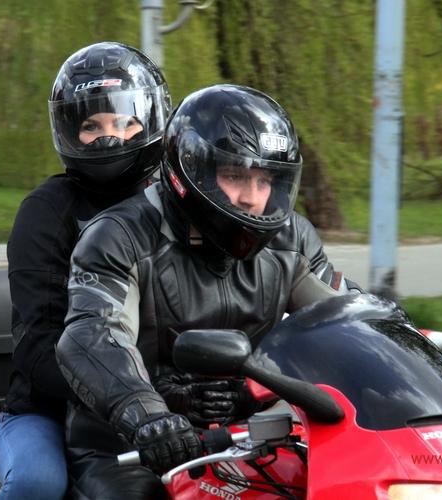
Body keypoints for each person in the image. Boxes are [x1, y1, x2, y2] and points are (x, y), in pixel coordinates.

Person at [55, 83, 362, 499]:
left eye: (265, 180)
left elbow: (349, 321)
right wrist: (149, 415)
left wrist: (432, 373)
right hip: (128, 448)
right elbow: (92, 336)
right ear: (191, 172)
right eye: (235, 176)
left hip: (251, 439)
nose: (252, 199)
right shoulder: (118, 237)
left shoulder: (292, 240)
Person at [0, 41, 171, 500]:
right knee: (37, 483)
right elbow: (37, 350)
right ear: (69, 132)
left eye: (125, 122)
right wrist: (129, 395)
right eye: (92, 126)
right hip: (47, 410)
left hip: (162, 407)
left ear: (151, 122)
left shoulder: (175, 208)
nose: (110, 138)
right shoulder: (47, 211)